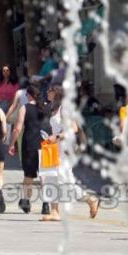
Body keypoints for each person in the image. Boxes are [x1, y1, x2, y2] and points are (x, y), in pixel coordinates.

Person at [41, 85, 100, 221]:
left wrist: (56, 137)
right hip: (54, 149)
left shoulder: (64, 109)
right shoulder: (53, 108)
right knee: (50, 178)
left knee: (66, 181)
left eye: (49, 90)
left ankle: (91, 200)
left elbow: (73, 128)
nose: (47, 92)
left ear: (56, 94)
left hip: (64, 150)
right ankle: (54, 211)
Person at [8, 85, 49, 214]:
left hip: (29, 144)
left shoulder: (24, 108)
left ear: (29, 95)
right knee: (44, 175)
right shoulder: (45, 107)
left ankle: (26, 201)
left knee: (29, 175)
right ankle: (46, 204)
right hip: (44, 144)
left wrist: (12, 144)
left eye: (26, 95)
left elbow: (17, 128)